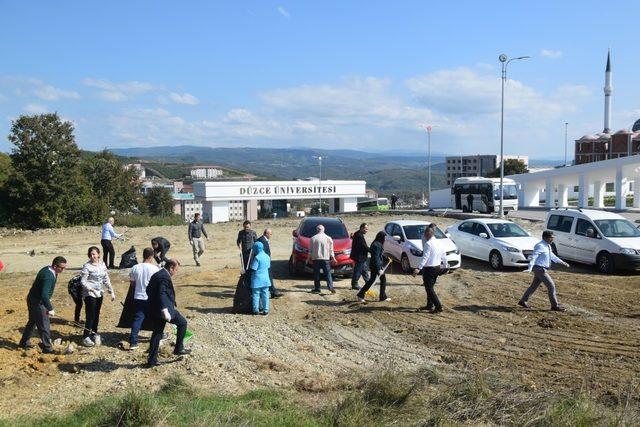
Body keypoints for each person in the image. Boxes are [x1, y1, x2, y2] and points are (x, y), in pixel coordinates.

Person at [145, 259, 189, 367]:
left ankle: (152, 360)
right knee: (182, 323)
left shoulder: (158, 274)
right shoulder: (164, 277)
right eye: (176, 270)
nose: (176, 272)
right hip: (163, 310)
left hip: (155, 308)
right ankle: (179, 348)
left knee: (157, 333)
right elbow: (162, 293)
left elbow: (148, 290)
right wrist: (165, 310)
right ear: (171, 268)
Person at [19, 256, 67, 353]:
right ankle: (47, 347)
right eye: (61, 268)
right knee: (44, 324)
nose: (63, 270)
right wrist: (50, 308)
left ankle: (24, 342)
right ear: (55, 266)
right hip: (37, 302)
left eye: (64, 268)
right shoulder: (48, 276)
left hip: (32, 299)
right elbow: (44, 294)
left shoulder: (48, 269)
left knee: (32, 321)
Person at [518, 230, 569, 312]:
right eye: (551, 238)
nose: (552, 239)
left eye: (553, 238)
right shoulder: (540, 246)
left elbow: (551, 255)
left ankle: (523, 301)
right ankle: (554, 305)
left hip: (541, 269)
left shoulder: (547, 245)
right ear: (545, 238)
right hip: (540, 269)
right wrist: (530, 268)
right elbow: (534, 257)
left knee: (533, 286)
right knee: (551, 286)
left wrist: (561, 262)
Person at [80, 246, 115, 347]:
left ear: (98, 254)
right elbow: (83, 281)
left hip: (99, 292)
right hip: (89, 293)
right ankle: (85, 336)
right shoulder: (87, 266)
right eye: (91, 254)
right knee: (90, 314)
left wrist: (111, 290)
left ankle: (94, 333)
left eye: (94, 254)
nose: (93, 256)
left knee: (96, 314)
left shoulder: (102, 264)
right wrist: (90, 289)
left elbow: (106, 278)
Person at [128, 247, 160, 349]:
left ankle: (133, 342)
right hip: (150, 297)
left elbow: (132, 283)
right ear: (151, 256)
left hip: (138, 296)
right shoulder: (155, 269)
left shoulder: (135, 268)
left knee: (138, 318)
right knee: (157, 317)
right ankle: (159, 336)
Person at [413, 224, 448, 313]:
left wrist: (418, 268)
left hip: (429, 269)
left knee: (429, 289)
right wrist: (445, 266)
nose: (424, 235)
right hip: (437, 268)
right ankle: (429, 305)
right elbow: (444, 255)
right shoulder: (439, 242)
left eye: (425, 233)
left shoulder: (428, 244)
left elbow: (425, 257)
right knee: (430, 287)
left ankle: (438, 306)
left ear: (428, 234)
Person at [357, 231, 390, 303]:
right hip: (375, 265)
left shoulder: (377, 243)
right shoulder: (376, 245)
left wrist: (386, 258)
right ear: (381, 237)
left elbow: (379, 255)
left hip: (375, 265)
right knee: (383, 280)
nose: (385, 239)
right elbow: (376, 257)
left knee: (372, 280)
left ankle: (360, 295)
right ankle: (382, 297)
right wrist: (379, 269)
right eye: (384, 237)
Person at [307, 224, 336, 294]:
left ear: (317, 230)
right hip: (325, 259)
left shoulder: (313, 238)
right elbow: (331, 250)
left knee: (316, 274)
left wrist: (308, 259)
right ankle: (330, 287)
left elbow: (310, 251)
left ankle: (317, 288)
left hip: (316, 259)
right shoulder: (328, 238)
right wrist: (333, 258)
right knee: (328, 274)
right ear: (324, 230)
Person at [257, 228, 283, 298]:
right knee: (268, 277)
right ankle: (273, 292)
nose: (271, 235)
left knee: (268, 277)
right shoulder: (262, 241)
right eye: (270, 234)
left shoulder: (262, 239)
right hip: (264, 263)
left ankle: (272, 291)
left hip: (264, 262)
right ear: (266, 233)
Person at [249, 241, 271, 315]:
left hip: (257, 280)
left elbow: (253, 269)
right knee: (265, 295)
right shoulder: (267, 256)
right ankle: (266, 310)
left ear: (256, 249)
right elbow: (268, 267)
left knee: (256, 294)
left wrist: (247, 271)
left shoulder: (257, 258)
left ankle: (256, 310)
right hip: (266, 279)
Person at [350, 223, 371, 290]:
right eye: (365, 229)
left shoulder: (358, 234)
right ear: (361, 228)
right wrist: (371, 251)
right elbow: (363, 246)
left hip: (362, 257)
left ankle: (368, 282)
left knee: (364, 270)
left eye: (367, 229)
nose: (366, 230)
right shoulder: (359, 235)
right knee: (358, 271)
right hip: (359, 257)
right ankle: (354, 284)